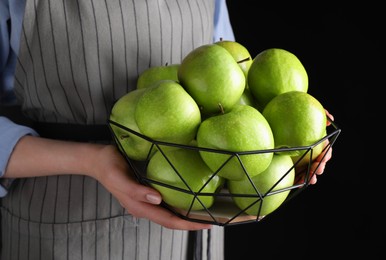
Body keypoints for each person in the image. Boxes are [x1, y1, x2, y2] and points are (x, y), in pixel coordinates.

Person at [0, 0, 333, 259]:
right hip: (63, 220)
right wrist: (90, 160)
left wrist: (299, 138)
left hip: (196, 225)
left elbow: (237, 94)